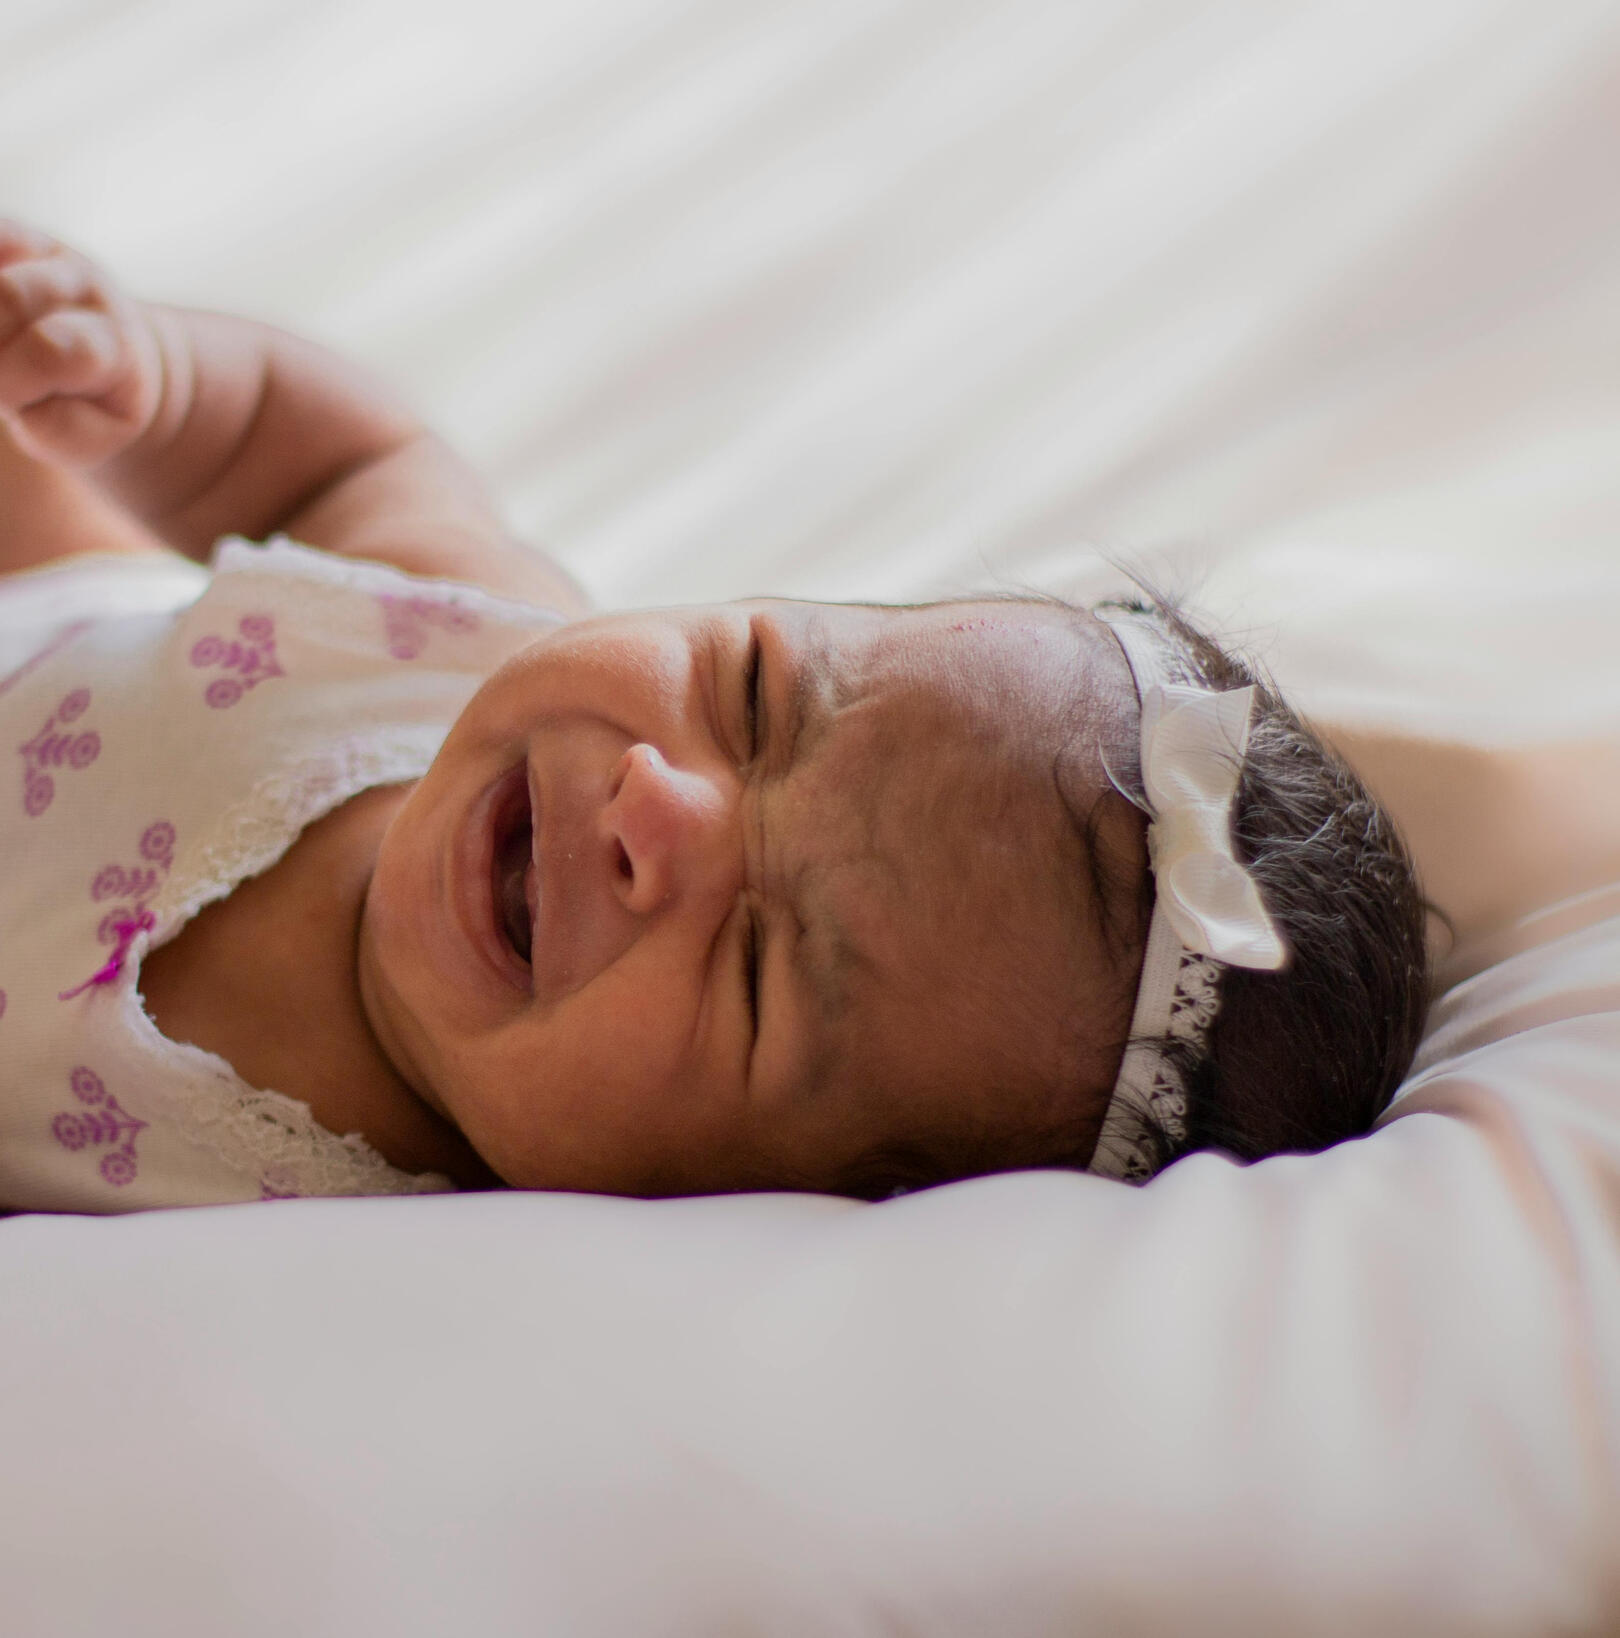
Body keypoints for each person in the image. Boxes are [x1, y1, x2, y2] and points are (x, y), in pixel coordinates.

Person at [0, 219, 1430, 1212]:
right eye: (753, 696)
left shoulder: (380, 1240)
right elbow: (340, 460)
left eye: (756, 966)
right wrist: (155, 390)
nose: (655, 805)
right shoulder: (460, 626)